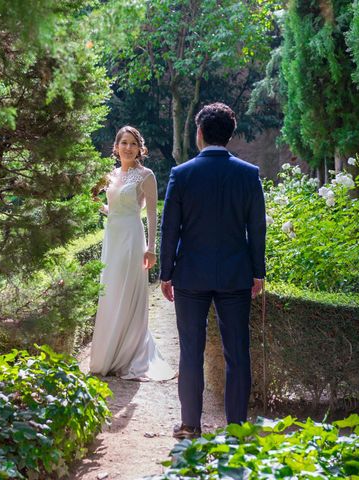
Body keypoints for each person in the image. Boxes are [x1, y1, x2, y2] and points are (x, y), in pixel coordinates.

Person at [159, 103, 266, 439]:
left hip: (190, 275)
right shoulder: (249, 174)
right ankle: (236, 427)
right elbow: (257, 228)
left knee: (191, 349)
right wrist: (258, 272)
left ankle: (190, 424)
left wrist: (166, 273)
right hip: (236, 275)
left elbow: (169, 228)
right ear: (230, 135)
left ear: (200, 133)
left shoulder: (182, 174)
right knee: (238, 352)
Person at [89, 126, 174, 381]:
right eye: (123, 143)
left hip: (131, 239)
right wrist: (100, 205)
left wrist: (151, 249)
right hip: (112, 239)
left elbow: (150, 214)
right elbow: (112, 207)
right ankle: (110, 353)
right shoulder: (109, 175)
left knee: (127, 291)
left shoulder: (146, 176)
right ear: (115, 147)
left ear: (140, 149)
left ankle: (129, 354)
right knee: (112, 292)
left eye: (133, 144)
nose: (128, 148)